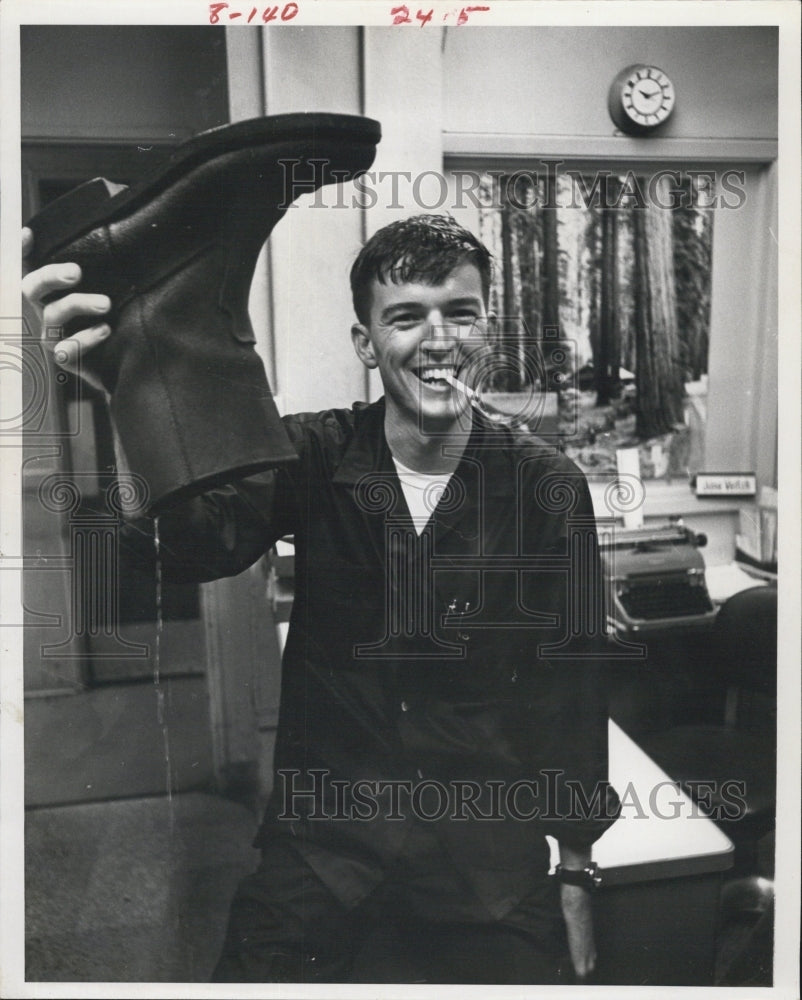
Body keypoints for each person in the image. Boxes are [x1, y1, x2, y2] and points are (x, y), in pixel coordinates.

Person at [23, 214, 619, 984]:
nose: (438, 340)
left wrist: (576, 875)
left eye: (460, 313)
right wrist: (128, 388)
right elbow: (191, 549)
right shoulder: (307, 451)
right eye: (405, 316)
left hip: (482, 862)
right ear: (366, 344)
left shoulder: (546, 485)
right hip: (325, 849)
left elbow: (568, 691)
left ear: (486, 330)